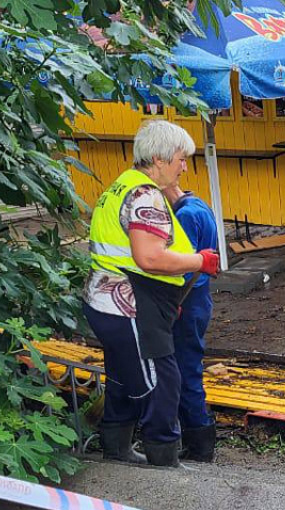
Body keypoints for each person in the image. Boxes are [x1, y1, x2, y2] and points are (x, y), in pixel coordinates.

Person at [82, 120, 220, 467]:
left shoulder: (121, 185)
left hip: (108, 299)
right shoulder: (145, 196)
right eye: (180, 159)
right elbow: (150, 257)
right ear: (158, 159)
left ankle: (116, 448)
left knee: (121, 374)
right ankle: (164, 459)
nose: (185, 167)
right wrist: (198, 260)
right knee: (161, 379)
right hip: (129, 303)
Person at [162, 181, 219, 463]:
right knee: (188, 368)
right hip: (200, 298)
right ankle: (199, 438)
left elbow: (181, 266)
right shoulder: (200, 205)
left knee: (185, 373)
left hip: (188, 300)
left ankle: (199, 444)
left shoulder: (183, 216)